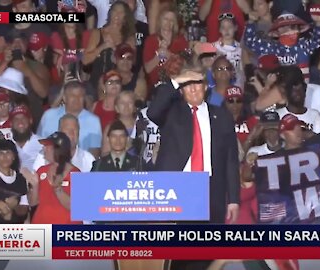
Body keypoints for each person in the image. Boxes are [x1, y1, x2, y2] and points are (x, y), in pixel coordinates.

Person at [147, 68, 240, 224]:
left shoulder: (222, 115)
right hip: (178, 186)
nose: (193, 89)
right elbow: (153, 111)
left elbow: (231, 159)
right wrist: (177, 80)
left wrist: (233, 199)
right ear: (181, 90)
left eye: (197, 83)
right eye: (187, 84)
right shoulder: (171, 112)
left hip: (212, 188)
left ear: (205, 87)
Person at [244, 9, 320, 81]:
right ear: (277, 32)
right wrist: (251, 22)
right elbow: (250, 42)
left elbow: (317, 41)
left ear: (298, 29)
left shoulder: (303, 46)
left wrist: (318, 23)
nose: (289, 30)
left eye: (293, 26)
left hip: (303, 89)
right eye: (284, 27)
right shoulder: (271, 48)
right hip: (279, 92)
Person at [27, 131, 82, 224]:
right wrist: (34, 186)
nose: (44, 149)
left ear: (59, 150)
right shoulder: (41, 171)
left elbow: (77, 208)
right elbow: (33, 203)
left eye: (48, 146)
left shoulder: (76, 174)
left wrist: (58, 189)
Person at [37, 81, 102, 157]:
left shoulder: (93, 121)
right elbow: (39, 144)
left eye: (80, 96)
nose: (77, 99)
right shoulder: (48, 115)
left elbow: (95, 151)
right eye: (72, 96)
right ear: (64, 98)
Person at [83, 1, 136, 92]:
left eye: (121, 12)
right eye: (115, 10)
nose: (117, 14)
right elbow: (85, 60)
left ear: (125, 17)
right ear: (110, 13)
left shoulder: (129, 38)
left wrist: (117, 51)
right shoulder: (97, 33)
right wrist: (103, 47)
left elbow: (132, 62)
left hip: (119, 84)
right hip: (96, 83)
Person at [143, 8, 189, 88]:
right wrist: (159, 55)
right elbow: (147, 69)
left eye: (172, 20)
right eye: (166, 19)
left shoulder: (181, 40)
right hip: (156, 86)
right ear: (160, 20)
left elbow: (186, 66)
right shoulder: (150, 40)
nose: (168, 22)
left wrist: (169, 55)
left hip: (177, 83)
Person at [275, 66, 320, 134]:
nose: (297, 93)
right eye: (292, 89)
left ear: (305, 89)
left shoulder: (314, 114)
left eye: (299, 89)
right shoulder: (278, 115)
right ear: (287, 92)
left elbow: (319, 140)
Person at [101, 91, 137, 156]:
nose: (126, 106)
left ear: (134, 107)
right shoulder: (110, 128)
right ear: (116, 108)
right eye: (122, 103)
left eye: (130, 102)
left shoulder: (141, 125)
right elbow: (105, 154)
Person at [214, 13, 245, 87]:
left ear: (235, 28)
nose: (226, 30)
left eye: (230, 27)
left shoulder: (242, 49)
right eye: (223, 27)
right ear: (219, 30)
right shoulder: (213, 48)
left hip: (238, 88)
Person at [10, 105, 42, 172]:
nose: (20, 122)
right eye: (16, 119)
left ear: (30, 120)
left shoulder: (42, 144)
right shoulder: (8, 145)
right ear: (11, 124)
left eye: (23, 118)